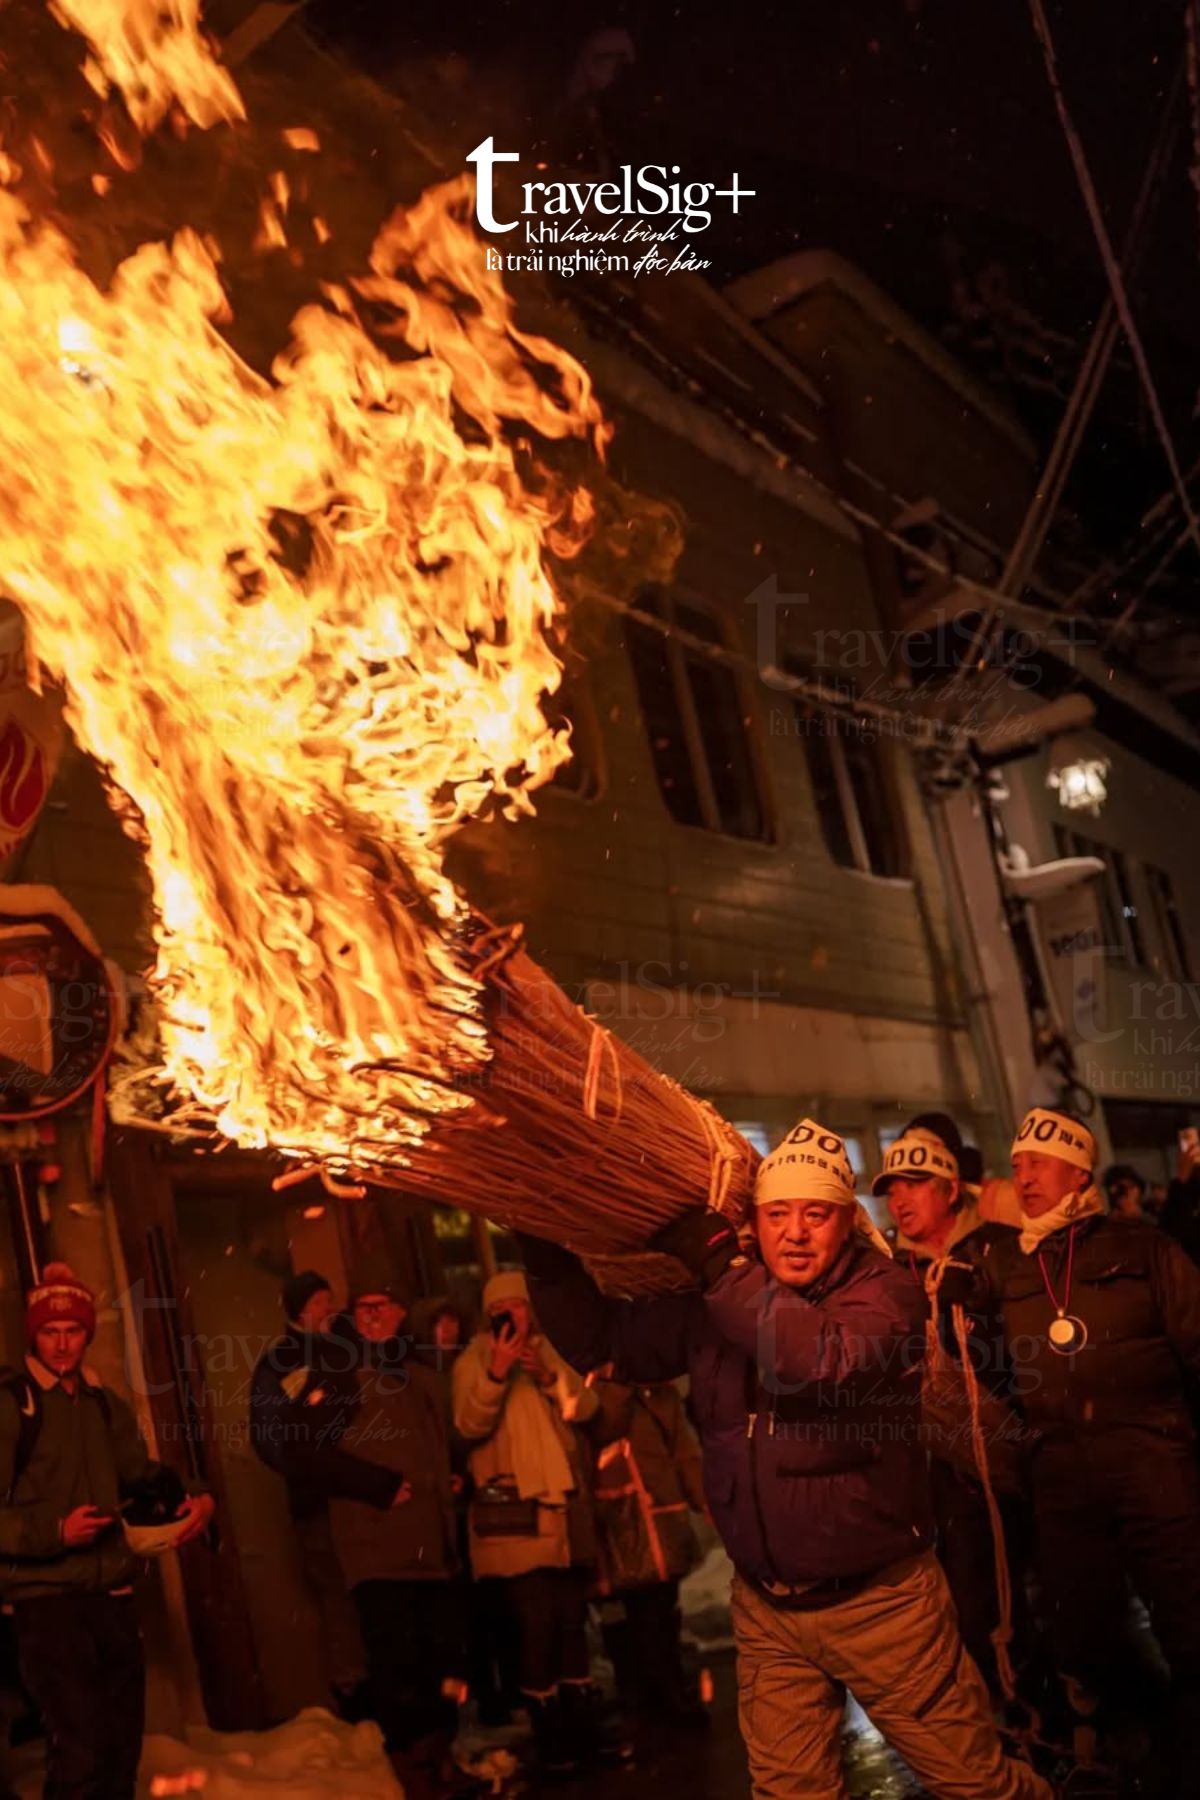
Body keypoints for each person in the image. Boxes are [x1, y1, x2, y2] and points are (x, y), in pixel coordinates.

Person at [519, 1121, 1051, 1800]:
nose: (795, 1232)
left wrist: (718, 1266)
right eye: (777, 1214)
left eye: (815, 1213)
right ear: (755, 1220)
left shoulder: (885, 1296)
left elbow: (818, 1360)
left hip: (881, 1608)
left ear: (845, 1220)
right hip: (767, 1611)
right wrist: (543, 1253)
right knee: (788, 1793)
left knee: (974, 1783)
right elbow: (603, 1344)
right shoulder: (719, 1304)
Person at [947, 1107, 1200, 1794]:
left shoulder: (1144, 1250)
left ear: (1078, 1173)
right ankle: (1124, 1747)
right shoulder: (1009, 1264)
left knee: (1186, 1614)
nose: (1022, 1174)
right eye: (1018, 1162)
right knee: (1084, 1627)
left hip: (1153, 1465)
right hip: (1062, 1476)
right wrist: (961, 1323)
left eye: (1038, 1163)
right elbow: (994, 1371)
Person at [0, 1262, 214, 1800]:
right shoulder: (11, 1406)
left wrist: (189, 1494)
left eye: (73, 1331)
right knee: (80, 1752)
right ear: (33, 1334)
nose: (62, 1344)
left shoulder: (101, 1404)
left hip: (113, 1593)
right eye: (50, 1331)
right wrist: (54, 1530)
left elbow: (139, 1475)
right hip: (47, 1601)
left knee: (120, 1749)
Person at [874, 1127, 1031, 1702]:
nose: (899, 1201)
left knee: (1050, 1592)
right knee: (971, 1600)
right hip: (943, 1472)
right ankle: (1004, 1716)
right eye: (891, 1191)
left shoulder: (1002, 1248)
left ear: (948, 1188)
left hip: (1022, 1453)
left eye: (913, 1185)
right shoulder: (890, 1274)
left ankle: (1064, 1720)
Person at [452, 1270, 625, 1779]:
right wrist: (497, 1374)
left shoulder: (550, 1352)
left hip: (561, 1515)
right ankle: (552, 1741)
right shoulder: (473, 1362)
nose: (514, 1316)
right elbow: (467, 1426)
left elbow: (587, 1410)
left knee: (571, 1626)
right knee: (536, 1629)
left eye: (520, 1306)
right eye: (502, 1308)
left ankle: (584, 1734)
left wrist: (549, 1375)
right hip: (515, 1518)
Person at [328, 1277, 471, 1800]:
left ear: (400, 1312)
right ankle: (411, 1772)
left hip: (432, 1546)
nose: (371, 1316)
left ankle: (440, 1761)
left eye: (380, 1305)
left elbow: (443, 1445)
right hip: (377, 1547)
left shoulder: (421, 1377)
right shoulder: (339, 1376)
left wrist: (455, 1481)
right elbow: (310, 1453)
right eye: (361, 1307)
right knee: (396, 1664)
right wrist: (376, 1486)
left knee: (440, 1660)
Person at [249, 1271, 403, 1716]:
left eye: (330, 1300)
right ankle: (355, 1692)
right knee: (337, 1596)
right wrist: (317, 1468)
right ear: (300, 1309)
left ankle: (387, 1688)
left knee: (373, 1592)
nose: (329, 1309)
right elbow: (274, 1439)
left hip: (365, 1498)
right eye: (320, 1301)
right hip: (320, 1502)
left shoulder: (345, 1351)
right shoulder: (282, 1362)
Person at [588, 1370, 707, 1727]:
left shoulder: (659, 1390)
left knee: (661, 1605)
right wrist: (620, 1386)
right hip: (617, 1513)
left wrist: (702, 1498)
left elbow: (682, 1448)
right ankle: (641, 1690)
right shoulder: (594, 1388)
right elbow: (600, 1428)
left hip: (659, 1509)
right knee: (630, 1608)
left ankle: (665, 1688)